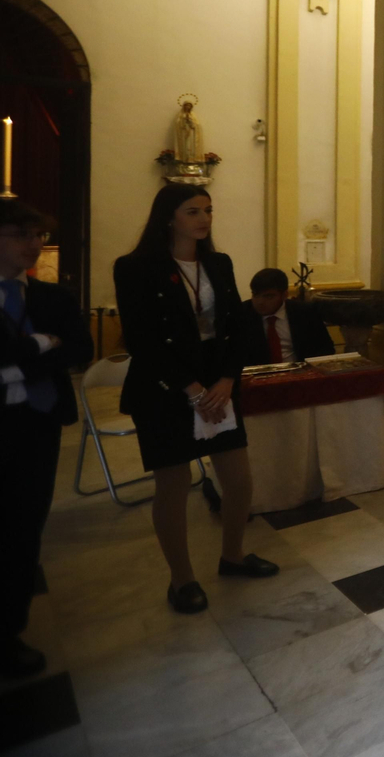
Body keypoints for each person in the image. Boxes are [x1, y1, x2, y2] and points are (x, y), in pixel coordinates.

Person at [113, 184, 278, 615]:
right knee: (173, 486)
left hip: (217, 385)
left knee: (239, 480)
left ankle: (233, 556)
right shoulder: (136, 267)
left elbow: (239, 327)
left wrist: (226, 380)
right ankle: (182, 579)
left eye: (208, 210)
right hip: (165, 389)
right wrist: (192, 389)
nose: (204, 219)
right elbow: (142, 339)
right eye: (192, 211)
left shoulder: (218, 263)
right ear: (169, 217)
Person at [0, 201, 92, 678]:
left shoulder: (54, 298)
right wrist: (40, 346)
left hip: (36, 426)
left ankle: (10, 631)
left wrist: (13, 364)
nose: (35, 244)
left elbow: (80, 348)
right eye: (23, 234)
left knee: (23, 529)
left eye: (39, 235)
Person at [239, 268, 335, 366]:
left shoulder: (304, 313)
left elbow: (326, 349)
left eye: (268, 297)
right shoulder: (242, 314)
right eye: (255, 295)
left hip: (299, 373)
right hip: (257, 375)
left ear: (284, 295)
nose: (260, 302)